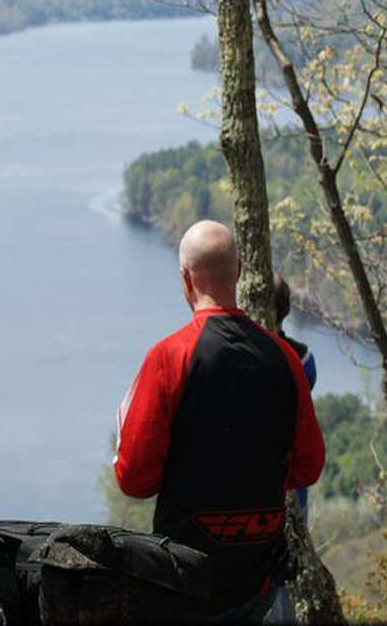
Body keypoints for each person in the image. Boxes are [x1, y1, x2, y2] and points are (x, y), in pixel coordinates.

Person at [113, 220, 324, 623]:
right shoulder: (285, 360)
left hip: (184, 579)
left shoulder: (168, 358)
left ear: (185, 280)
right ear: (240, 271)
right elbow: (308, 466)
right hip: (257, 581)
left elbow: (134, 477)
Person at [266, 275, 319, 624]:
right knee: (283, 573)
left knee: (269, 581)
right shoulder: (304, 359)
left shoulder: (273, 362)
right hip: (296, 491)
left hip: (267, 492)